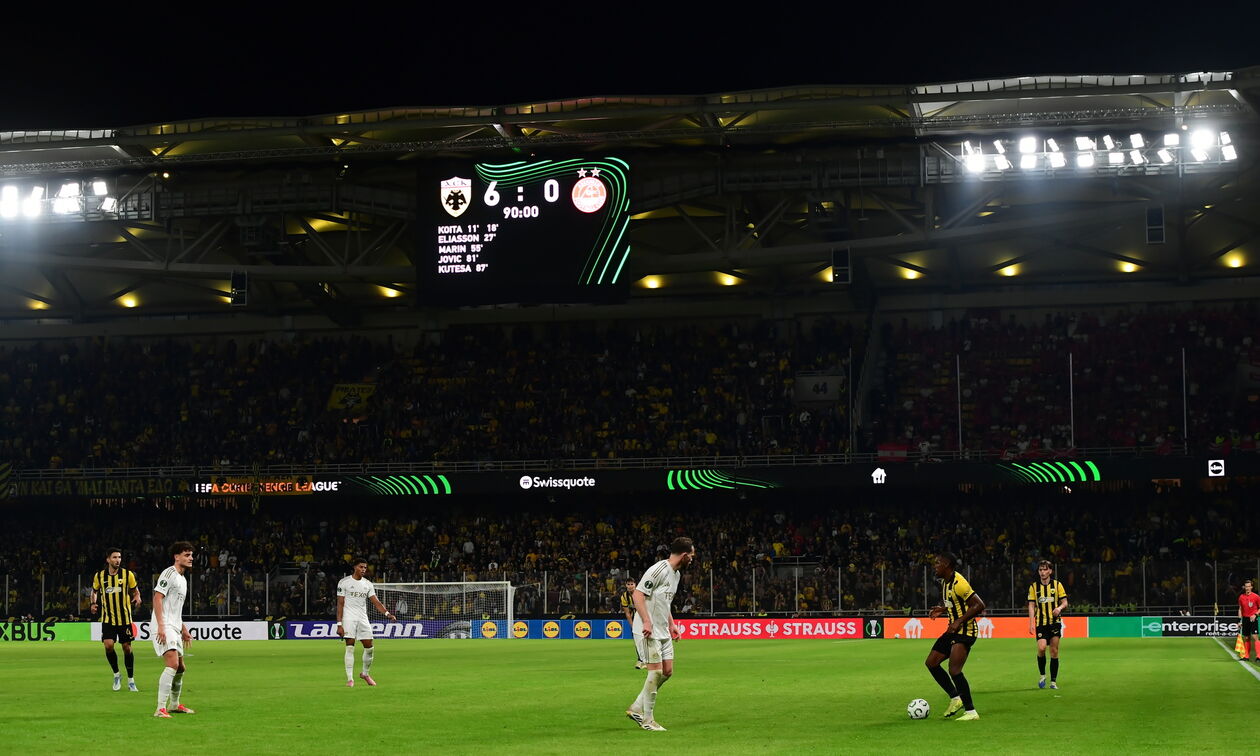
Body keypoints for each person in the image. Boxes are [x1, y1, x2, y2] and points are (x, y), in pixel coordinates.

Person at [625, 537, 694, 732]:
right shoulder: (659, 570)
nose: (693, 559)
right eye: (692, 556)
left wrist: (672, 624)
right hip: (647, 630)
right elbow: (638, 595)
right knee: (654, 672)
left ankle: (637, 706)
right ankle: (647, 720)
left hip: (663, 629)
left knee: (667, 671)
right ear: (684, 555)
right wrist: (646, 620)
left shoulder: (676, 574)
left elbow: (665, 602)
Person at [925, 553, 985, 721]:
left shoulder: (960, 583)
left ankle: (971, 712)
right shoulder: (945, 582)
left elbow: (979, 605)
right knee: (932, 662)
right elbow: (955, 602)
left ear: (947, 565)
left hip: (965, 632)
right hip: (953, 630)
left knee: (954, 670)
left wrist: (959, 621)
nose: (934, 566)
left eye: (938, 563)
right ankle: (955, 697)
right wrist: (942, 609)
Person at [337, 557, 396, 687]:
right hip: (348, 617)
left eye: (365, 567)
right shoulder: (344, 582)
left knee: (369, 647)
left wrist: (387, 614)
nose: (363, 569)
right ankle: (350, 679)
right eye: (361, 567)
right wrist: (339, 624)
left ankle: (365, 674)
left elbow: (376, 602)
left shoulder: (368, 584)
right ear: (354, 567)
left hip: (363, 618)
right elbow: (340, 604)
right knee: (350, 647)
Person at [152, 541, 195, 718]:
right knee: (172, 664)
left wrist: (183, 628)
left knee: (181, 668)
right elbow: (157, 597)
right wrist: (161, 626)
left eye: (191, 555)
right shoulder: (168, 573)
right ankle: (160, 708)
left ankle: (174, 704)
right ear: (176, 557)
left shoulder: (183, 579)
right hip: (163, 625)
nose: (191, 558)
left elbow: (175, 608)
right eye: (186, 555)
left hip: (174, 626)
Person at [90, 547, 141, 692]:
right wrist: (93, 604)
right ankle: (117, 674)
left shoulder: (127, 574)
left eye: (119, 557)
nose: (117, 560)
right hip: (108, 619)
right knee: (108, 646)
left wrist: (137, 597)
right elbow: (94, 591)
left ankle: (131, 680)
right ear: (108, 559)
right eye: (114, 557)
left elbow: (135, 590)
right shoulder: (99, 576)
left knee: (127, 648)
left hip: (124, 618)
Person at [1027, 559, 1069, 688]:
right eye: (1040, 570)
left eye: (1045, 569)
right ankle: (1042, 675)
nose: (1042, 572)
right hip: (1041, 623)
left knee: (1054, 651)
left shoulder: (1057, 585)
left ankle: (1053, 681)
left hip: (1054, 623)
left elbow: (1065, 602)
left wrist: (1059, 608)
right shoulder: (1034, 587)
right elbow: (1031, 605)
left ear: (1050, 571)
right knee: (1041, 648)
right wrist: (1031, 623)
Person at [620, 578, 645, 669]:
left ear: (635, 584)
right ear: (626, 585)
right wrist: (633, 626)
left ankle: (649, 659)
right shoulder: (624, 597)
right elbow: (627, 613)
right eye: (628, 584)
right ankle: (641, 659)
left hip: (646, 616)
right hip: (636, 619)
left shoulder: (641, 593)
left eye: (632, 584)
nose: (630, 586)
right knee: (637, 639)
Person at [1239, 579, 1260, 662]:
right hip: (1245, 619)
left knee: (1255, 637)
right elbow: (1240, 609)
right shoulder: (1241, 597)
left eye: (1249, 586)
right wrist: (1240, 620)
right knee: (1247, 638)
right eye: (1246, 587)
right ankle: (1246, 656)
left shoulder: (1256, 597)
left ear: (1251, 587)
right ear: (1244, 587)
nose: (1247, 588)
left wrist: (1255, 615)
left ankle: (1258, 656)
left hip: (1253, 619)